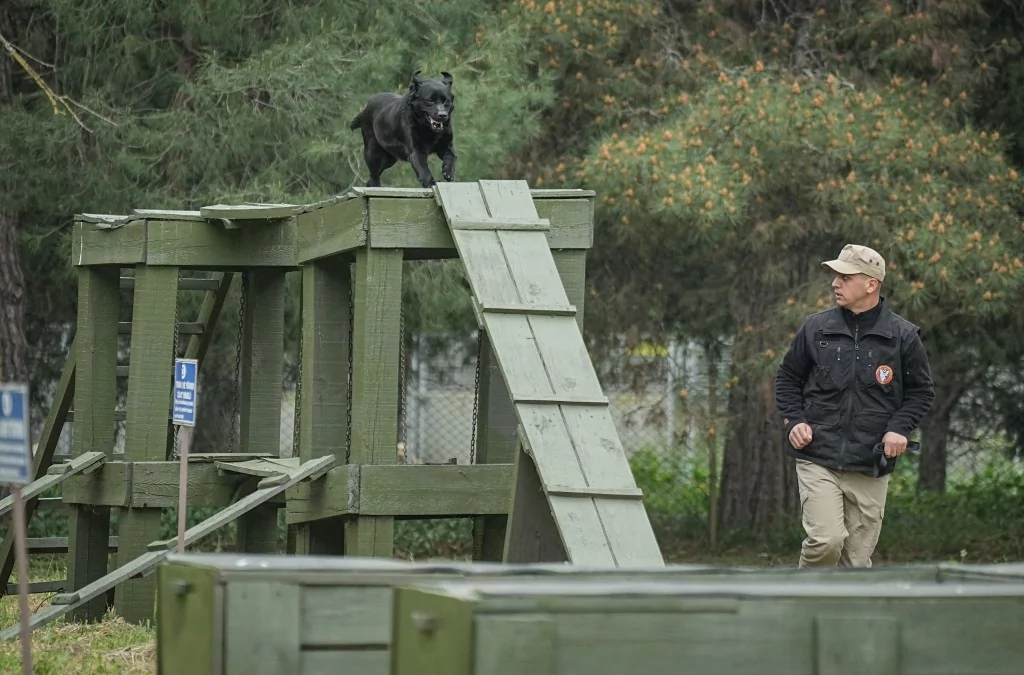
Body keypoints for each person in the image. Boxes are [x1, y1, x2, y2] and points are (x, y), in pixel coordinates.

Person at [775, 244, 935, 568]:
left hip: (870, 462)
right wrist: (793, 421)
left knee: (856, 564)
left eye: (845, 277)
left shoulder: (903, 336)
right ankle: (800, 606)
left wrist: (898, 428)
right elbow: (787, 378)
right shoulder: (815, 328)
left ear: (871, 284)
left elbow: (921, 392)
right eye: (836, 276)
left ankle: (839, 618)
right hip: (818, 456)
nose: (835, 283)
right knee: (826, 540)